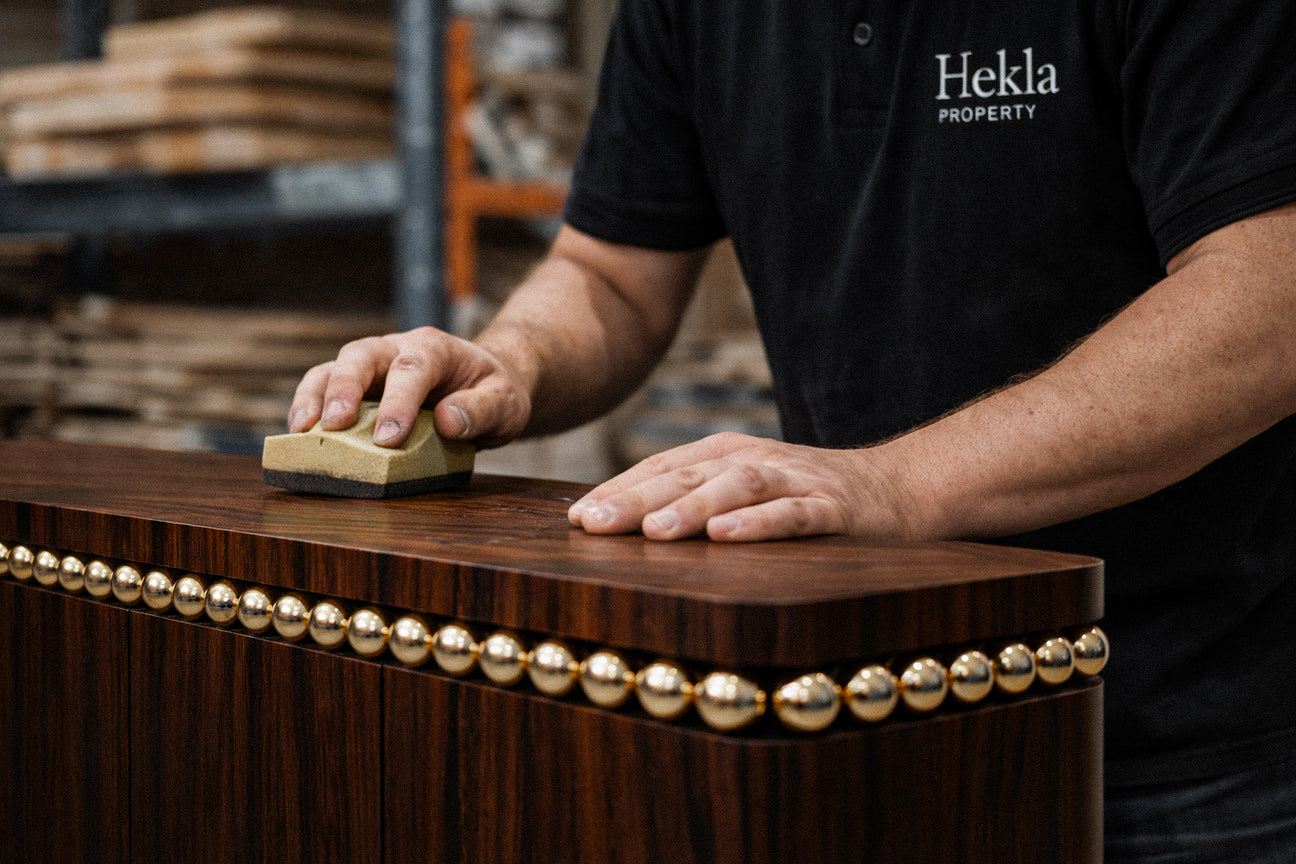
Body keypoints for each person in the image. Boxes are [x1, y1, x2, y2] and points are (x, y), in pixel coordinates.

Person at [290, 1, 1296, 860]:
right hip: (860, 715)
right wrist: (514, 363)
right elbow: (612, 273)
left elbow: (1270, 294)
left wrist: (892, 483)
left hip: (1189, 745)